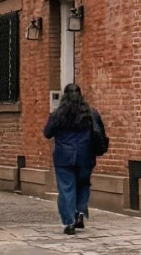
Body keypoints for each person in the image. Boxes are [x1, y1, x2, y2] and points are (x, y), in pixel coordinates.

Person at [43, 81, 103, 233]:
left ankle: (69, 222)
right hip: (85, 155)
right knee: (83, 184)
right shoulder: (90, 113)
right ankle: (79, 212)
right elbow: (99, 131)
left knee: (66, 188)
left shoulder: (57, 115)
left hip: (64, 157)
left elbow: (47, 133)